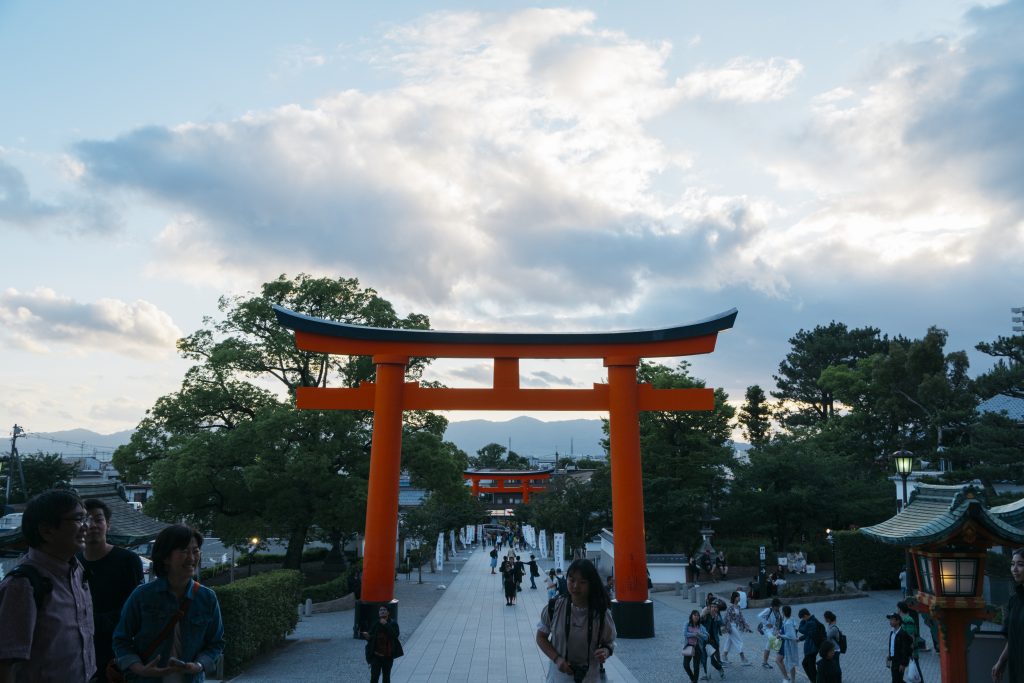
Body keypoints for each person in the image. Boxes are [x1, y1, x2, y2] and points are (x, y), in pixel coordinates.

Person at [0, 489, 96, 683]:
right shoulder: (23, 585)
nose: (87, 527)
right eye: (78, 519)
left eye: (86, 518)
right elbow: (5, 664)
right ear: (47, 530)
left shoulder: (77, 571)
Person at [112, 525, 224, 682]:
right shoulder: (142, 596)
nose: (192, 558)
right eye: (184, 551)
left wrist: (199, 665)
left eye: (195, 550)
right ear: (165, 557)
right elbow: (121, 639)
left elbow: (216, 643)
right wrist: (140, 669)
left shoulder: (207, 598)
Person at [78, 498, 145, 683]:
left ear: (108, 524)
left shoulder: (128, 560)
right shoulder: (73, 562)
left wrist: (92, 621)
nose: (92, 525)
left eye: (98, 519)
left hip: (117, 651)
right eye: (85, 520)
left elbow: (135, 608)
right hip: (79, 650)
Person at [535, 558, 615, 683]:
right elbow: (541, 637)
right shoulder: (554, 607)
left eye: (582, 582)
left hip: (590, 678)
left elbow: (609, 642)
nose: (576, 586)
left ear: (591, 584)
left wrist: (605, 651)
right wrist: (557, 659)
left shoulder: (601, 614)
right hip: (559, 677)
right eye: (571, 580)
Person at [993, 547, 1024, 683]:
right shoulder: (1014, 600)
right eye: (1012, 564)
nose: (1014, 569)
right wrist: (1001, 661)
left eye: (1020, 564)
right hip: (1017, 668)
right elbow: (1012, 637)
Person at [361, 605, 402, 683]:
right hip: (376, 656)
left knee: (386, 678)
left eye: (384, 610)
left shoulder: (393, 623)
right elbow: (371, 638)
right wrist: (367, 636)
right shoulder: (376, 623)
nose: (382, 611)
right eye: (380, 610)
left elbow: (395, 635)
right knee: (374, 677)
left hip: (388, 656)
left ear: (388, 612)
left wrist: (386, 624)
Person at [721, 591, 753, 666]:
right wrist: (728, 628)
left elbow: (741, 618)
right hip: (731, 627)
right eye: (738, 596)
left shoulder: (738, 607)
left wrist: (746, 626)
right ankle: (743, 659)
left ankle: (724, 657)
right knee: (739, 641)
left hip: (736, 626)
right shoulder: (730, 607)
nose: (739, 598)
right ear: (735, 598)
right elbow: (726, 618)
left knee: (729, 642)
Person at [700, 599, 726, 679]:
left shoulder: (717, 616)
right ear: (710, 608)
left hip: (713, 641)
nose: (714, 608)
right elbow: (698, 622)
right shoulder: (706, 615)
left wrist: (721, 625)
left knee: (711, 659)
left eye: (715, 607)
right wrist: (702, 614)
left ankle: (719, 668)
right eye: (712, 607)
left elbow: (722, 624)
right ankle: (707, 674)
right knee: (704, 659)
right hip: (704, 640)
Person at [797, 608, 824, 683]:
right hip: (811, 648)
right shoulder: (811, 621)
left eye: (803, 617)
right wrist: (800, 639)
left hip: (812, 648)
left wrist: (802, 621)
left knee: (809, 665)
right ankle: (815, 680)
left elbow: (801, 629)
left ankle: (815, 681)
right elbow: (808, 634)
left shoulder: (811, 622)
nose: (802, 619)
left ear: (805, 615)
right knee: (807, 664)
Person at [886, 612, 913, 683]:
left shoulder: (902, 634)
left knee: (896, 680)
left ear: (898, 621)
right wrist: (890, 655)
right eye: (890, 620)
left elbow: (905, 649)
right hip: (893, 660)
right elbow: (892, 645)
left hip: (899, 662)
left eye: (892, 620)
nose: (890, 622)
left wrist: (903, 663)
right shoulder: (892, 632)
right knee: (897, 680)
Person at [683, 609, 708, 683]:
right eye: (695, 615)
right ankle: (692, 678)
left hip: (697, 647)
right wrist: (694, 634)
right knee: (685, 665)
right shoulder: (687, 624)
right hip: (688, 646)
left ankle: (695, 681)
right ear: (691, 616)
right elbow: (685, 634)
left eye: (698, 615)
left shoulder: (700, 626)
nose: (696, 617)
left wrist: (700, 634)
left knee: (696, 667)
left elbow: (706, 636)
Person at [776, 605, 799, 683]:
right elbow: (795, 630)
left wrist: (780, 635)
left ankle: (789, 679)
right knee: (789, 662)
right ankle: (791, 679)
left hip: (787, 644)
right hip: (787, 644)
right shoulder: (791, 619)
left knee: (785, 661)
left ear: (783, 612)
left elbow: (791, 636)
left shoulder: (788, 622)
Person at [758, 597, 783, 669]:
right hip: (766, 629)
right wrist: (767, 623)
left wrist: (778, 629)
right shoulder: (768, 610)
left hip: (773, 629)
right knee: (775, 641)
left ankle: (765, 663)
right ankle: (780, 661)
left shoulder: (778, 611)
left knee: (769, 645)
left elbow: (779, 621)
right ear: (775, 605)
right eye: (778, 606)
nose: (779, 607)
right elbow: (759, 616)